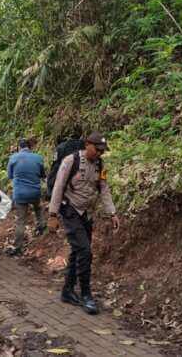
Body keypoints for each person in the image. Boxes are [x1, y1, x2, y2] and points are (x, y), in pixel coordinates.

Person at [48, 132, 120, 315]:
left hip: (86, 213)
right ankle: (86, 294)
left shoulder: (99, 165)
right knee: (85, 251)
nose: (99, 154)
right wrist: (53, 214)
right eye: (97, 150)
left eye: (102, 151)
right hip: (70, 210)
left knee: (77, 251)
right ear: (87, 145)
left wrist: (112, 213)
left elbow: (104, 189)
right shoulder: (70, 161)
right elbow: (58, 187)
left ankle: (67, 291)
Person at [6, 138, 46, 256]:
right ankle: (41, 227)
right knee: (38, 209)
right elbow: (42, 174)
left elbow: (10, 175)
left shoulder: (13, 158)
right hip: (35, 192)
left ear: (19, 147)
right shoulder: (38, 157)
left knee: (21, 221)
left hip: (20, 193)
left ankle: (18, 247)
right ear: (30, 147)